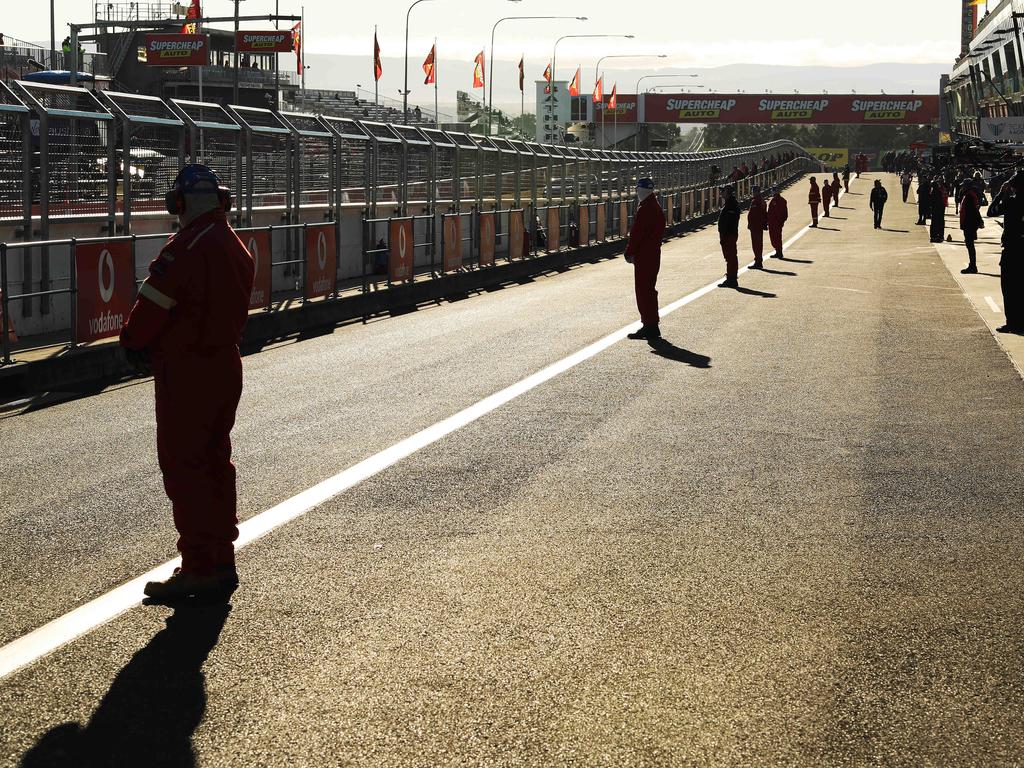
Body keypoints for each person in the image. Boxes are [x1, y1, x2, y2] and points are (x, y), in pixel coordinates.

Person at [120, 164, 255, 600]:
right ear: (222, 200)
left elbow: (149, 311)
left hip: (187, 373)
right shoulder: (235, 246)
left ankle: (199, 567)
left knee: (185, 470)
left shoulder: (185, 247)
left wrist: (131, 344)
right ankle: (221, 559)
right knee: (216, 463)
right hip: (224, 366)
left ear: (178, 203)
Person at [624, 178, 666, 339]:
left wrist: (629, 251)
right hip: (653, 253)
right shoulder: (655, 207)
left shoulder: (645, 209)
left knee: (643, 290)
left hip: (644, 255)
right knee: (649, 289)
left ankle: (649, 325)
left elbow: (637, 233)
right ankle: (651, 323)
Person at [987, 172, 1024, 333]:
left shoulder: (1011, 202)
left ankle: (1013, 322)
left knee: (1009, 288)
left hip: (1012, 249)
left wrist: (1001, 194)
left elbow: (992, 211)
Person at [717, 185, 741, 289]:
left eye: (723, 191)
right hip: (727, 235)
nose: (721, 193)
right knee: (729, 257)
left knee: (731, 257)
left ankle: (732, 279)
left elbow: (730, 222)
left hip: (729, 235)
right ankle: (731, 277)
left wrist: (725, 235)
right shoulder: (729, 204)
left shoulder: (731, 205)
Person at [959, 179, 984, 274]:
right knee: (969, 245)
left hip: (969, 224)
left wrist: (978, 221)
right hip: (969, 223)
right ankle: (972, 265)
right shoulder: (969, 194)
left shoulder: (969, 196)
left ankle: (972, 265)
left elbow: (973, 211)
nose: (962, 187)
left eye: (963, 185)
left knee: (970, 245)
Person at [747, 185, 768, 269]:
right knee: (758, 244)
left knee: (756, 244)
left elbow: (755, 215)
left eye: (753, 191)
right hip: (758, 225)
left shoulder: (756, 201)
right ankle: (758, 260)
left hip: (756, 226)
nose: (752, 193)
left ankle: (758, 261)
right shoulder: (761, 200)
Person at [767, 187, 789, 259]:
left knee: (776, 237)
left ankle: (779, 252)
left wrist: (781, 221)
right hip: (772, 222)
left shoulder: (780, 200)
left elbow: (783, 213)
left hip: (776, 223)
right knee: (774, 237)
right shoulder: (775, 200)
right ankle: (778, 251)